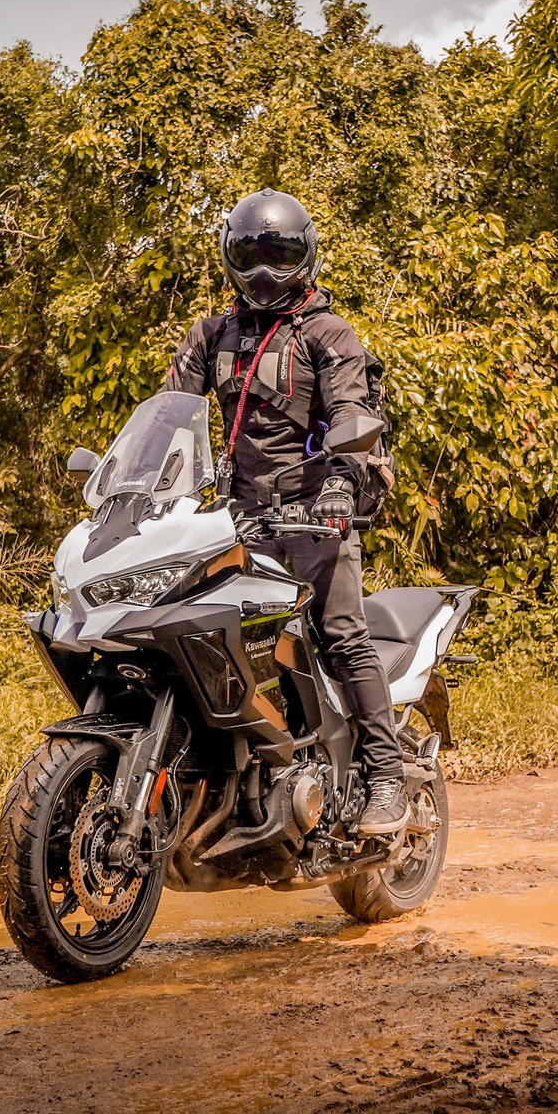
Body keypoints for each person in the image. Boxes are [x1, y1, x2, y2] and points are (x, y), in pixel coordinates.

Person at [161, 188, 409, 835]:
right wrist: (140, 487)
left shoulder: (328, 334)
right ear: (231, 259)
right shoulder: (210, 335)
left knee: (342, 633)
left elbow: (355, 415)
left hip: (312, 513)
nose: (265, 270)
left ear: (305, 256)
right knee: (194, 642)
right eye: (252, 254)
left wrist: (340, 487)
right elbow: (166, 420)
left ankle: (385, 779)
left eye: (280, 253)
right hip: (233, 519)